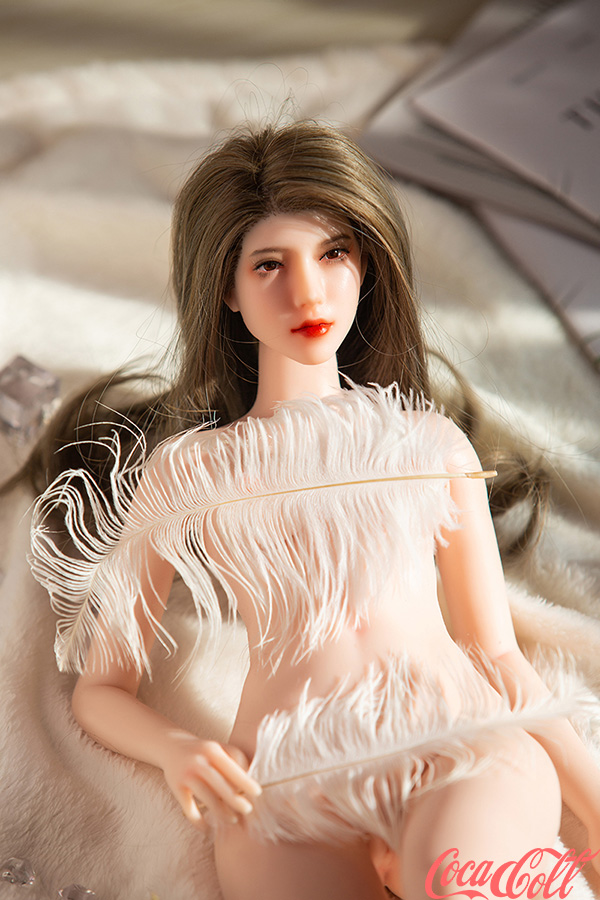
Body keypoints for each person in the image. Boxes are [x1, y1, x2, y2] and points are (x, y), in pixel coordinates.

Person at [27, 121, 600, 900]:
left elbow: (497, 653)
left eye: (334, 253)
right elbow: (102, 689)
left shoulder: (428, 444)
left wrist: (590, 796)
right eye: (269, 264)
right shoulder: (191, 471)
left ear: (367, 264)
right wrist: (177, 750)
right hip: (281, 777)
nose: (307, 293)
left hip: (453, 740)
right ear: (226, 289)